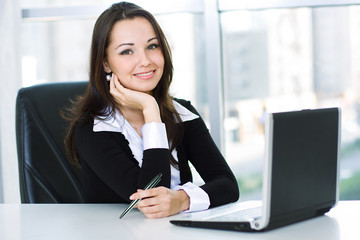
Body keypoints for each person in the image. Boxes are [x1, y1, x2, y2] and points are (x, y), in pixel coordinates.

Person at [64, 1, 239, 219]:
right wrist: (150, 110)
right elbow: (148, 197)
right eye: (127, 51)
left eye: (152, 46)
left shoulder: (181, 112)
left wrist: (183, 200)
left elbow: (227, 184)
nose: (145, 61)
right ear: (106, 64)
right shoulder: (92, 128)